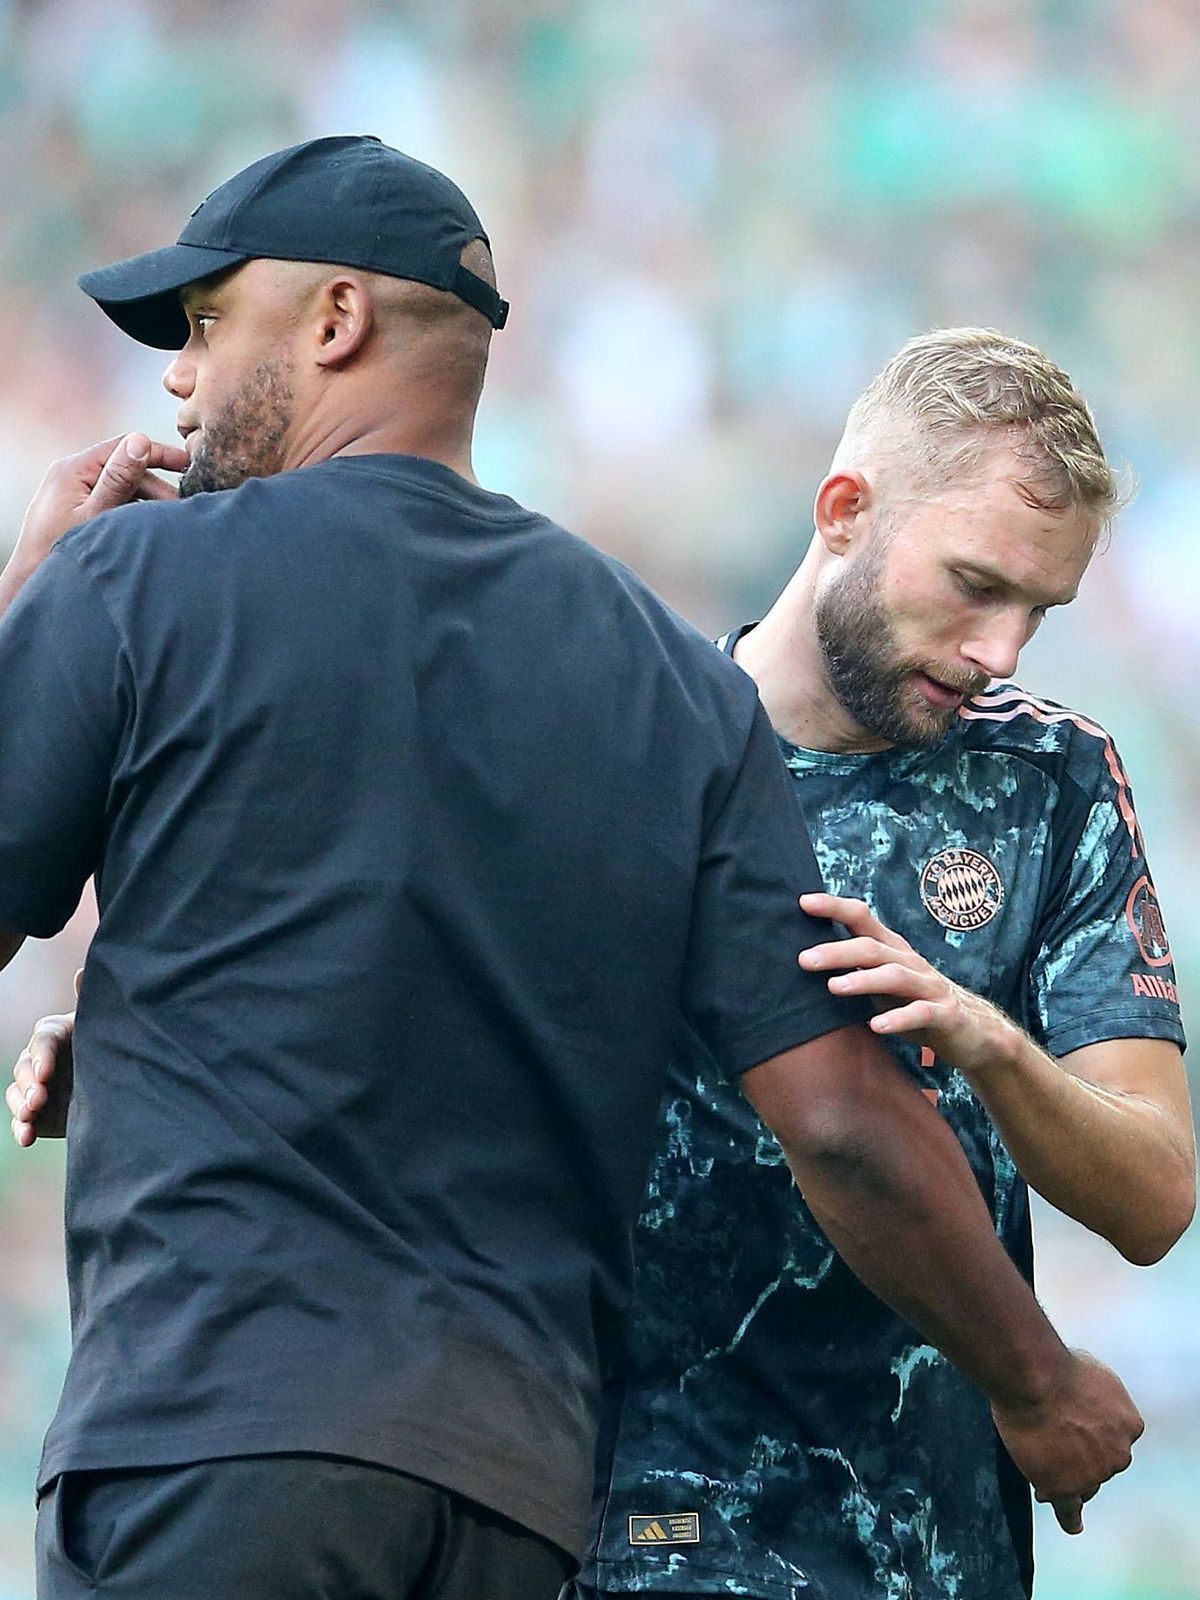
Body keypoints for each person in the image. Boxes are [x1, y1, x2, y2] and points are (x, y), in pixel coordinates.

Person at [0, 136, 1142, 1600]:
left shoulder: (136, 575)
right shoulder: (669, 676)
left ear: (336, 320)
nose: (180, 377)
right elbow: (846, 1116)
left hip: (217, 1438)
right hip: (514, 1504)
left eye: (210, 323)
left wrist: (33, 597)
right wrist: (1035, 1381)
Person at [562, 329, 1194, 1600]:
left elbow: (1153, 1198)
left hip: (934, 1545)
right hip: (649, 1534)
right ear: (844, 510)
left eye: (1040, 611)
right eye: (974, 584)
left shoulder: (1053, 778)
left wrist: (996, 1047)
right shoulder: (627, 744)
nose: (1002, 651)